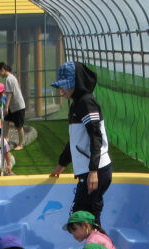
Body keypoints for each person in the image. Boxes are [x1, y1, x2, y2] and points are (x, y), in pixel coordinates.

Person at [48, 61, 113, 227]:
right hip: (90, 170)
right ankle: (96, 243)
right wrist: (61, 165)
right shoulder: (77, 104)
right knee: (86, 217)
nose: (61, 90)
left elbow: (95, 136)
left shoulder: (86, 103)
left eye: (64, 86)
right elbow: (75, 140)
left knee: (82, 219)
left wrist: (93, 171)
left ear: (76, 83)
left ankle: (99, 243)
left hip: (96, 170)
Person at [0, 62, 27, 149]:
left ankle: (21, 144)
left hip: (18, 106)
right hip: (13, 107)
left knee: (19, 126)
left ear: (2, 70)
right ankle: (6, 138)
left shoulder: (9, 79)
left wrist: (6, 106)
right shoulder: (11, 77)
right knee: (6, 120)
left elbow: (10, 93)